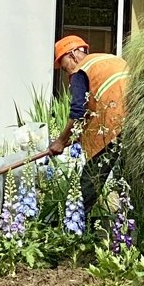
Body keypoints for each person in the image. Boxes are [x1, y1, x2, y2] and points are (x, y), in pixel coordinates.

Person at [49, 35, 129, 219]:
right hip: (137, 122)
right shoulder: (110, 60)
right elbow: (95, 105)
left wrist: (60, 141)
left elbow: (78, 111)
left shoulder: (81, 70)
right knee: (129, 182)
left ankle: (73, 226)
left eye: (64, 67)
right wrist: (77, 136)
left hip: (112, 126)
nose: (67, 73)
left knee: (90, 181)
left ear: (72, 55)